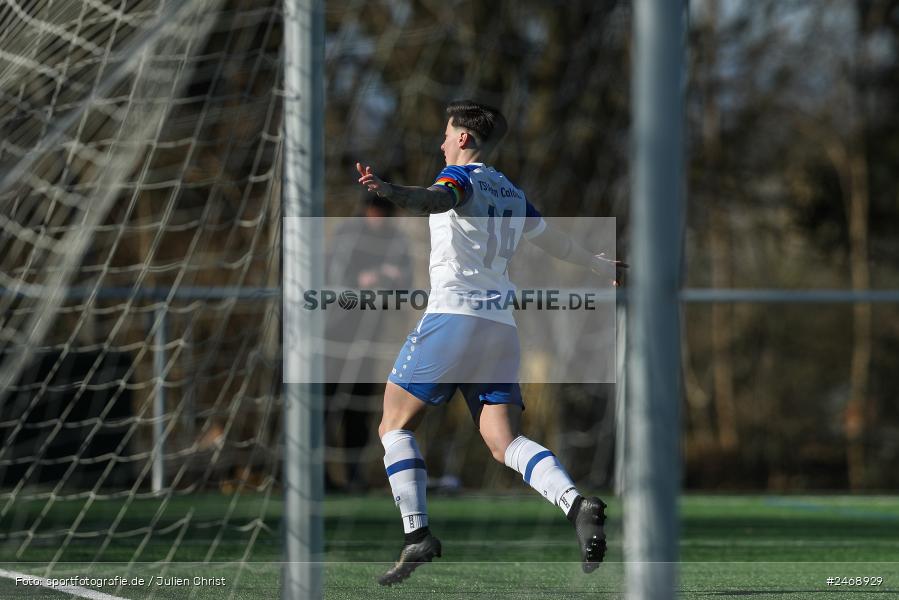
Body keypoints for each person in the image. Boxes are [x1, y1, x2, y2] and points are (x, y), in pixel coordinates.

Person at [354, 100, 626, 586]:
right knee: (504, 442)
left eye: (446, 134)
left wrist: (390, 191)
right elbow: (551, 239)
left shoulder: (458, 178)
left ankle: (417, 534)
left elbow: (435, 199)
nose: (441, 142)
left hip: (454, 317)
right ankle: (576, 504)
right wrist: (595, 263)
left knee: (393, 423)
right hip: (500, 326)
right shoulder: (511, 191)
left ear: (462, 138)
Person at [323, 192, 412, 491]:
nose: (380, 217)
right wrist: (361, 280)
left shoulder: (396, 240)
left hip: (367, 339)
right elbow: (333, 280)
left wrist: (395, 279)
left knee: (358, 411)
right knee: (325, 407)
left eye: (386, 211)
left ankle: (355, 476)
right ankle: (320, 476)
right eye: (376, 210)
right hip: (332, 336)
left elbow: (406, 283)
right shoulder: (348, 235)